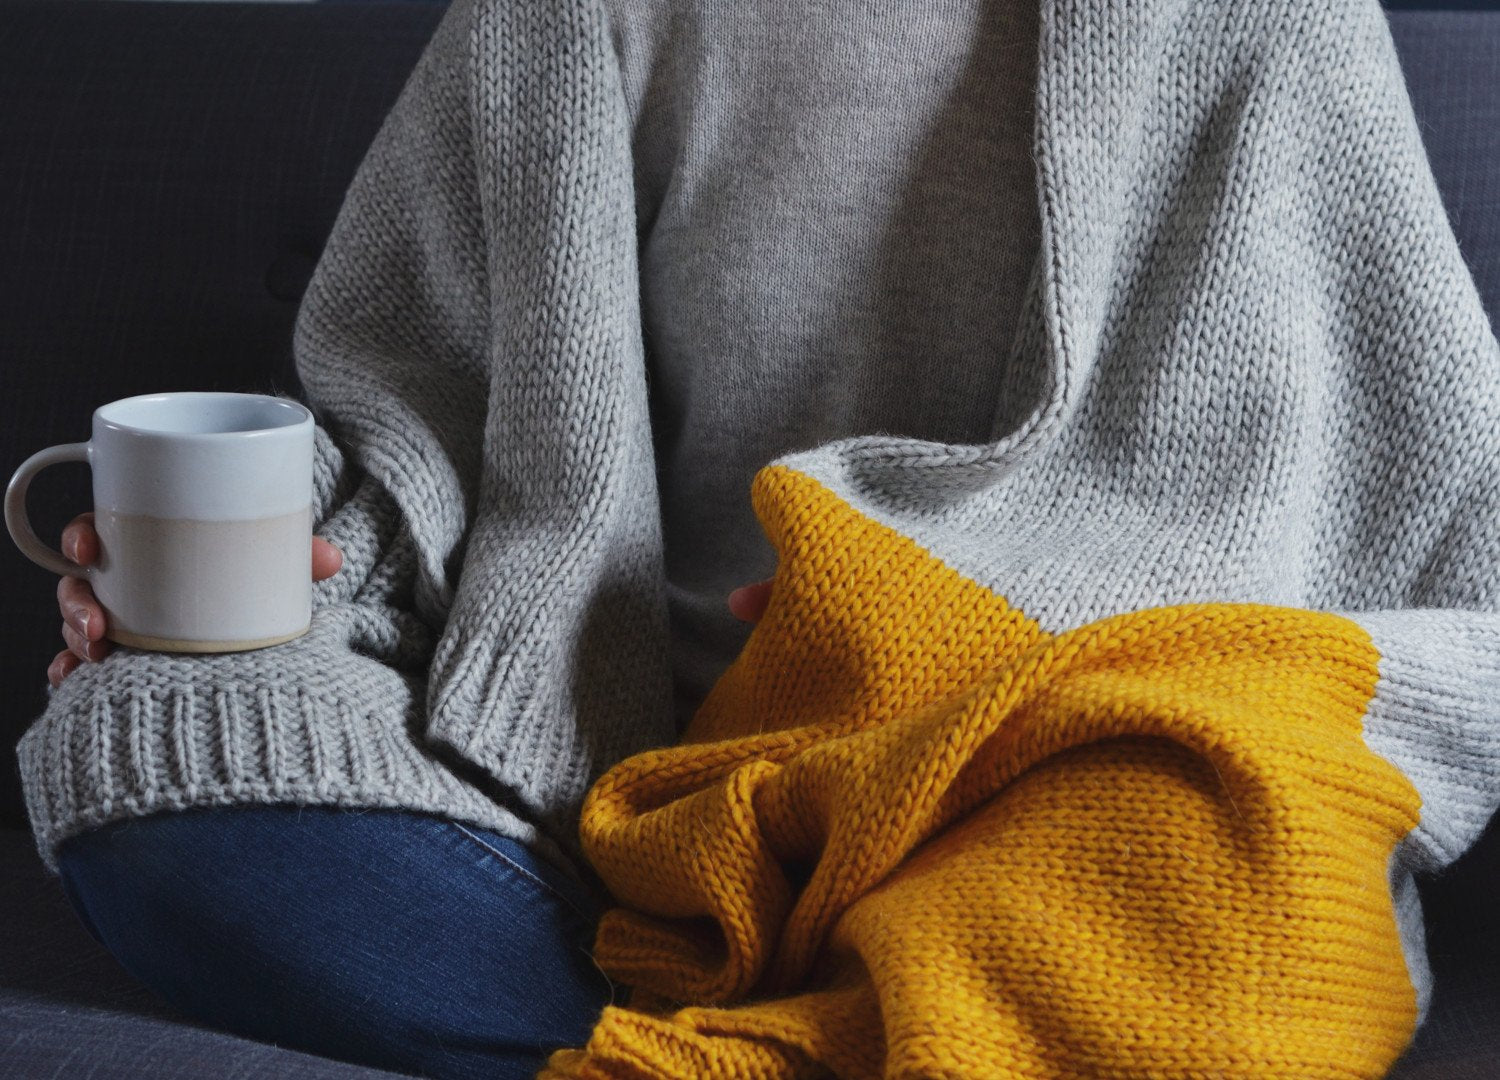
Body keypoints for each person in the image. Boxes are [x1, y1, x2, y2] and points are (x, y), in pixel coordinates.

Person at [21, 0, 1500, 1075]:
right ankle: (908, 1033)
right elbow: (423, 405)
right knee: (143, 753)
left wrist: (929, 611)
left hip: (1024, 777)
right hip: (603, 773)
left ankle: (780, 1034)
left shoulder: (1266, 24)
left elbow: (1426, 488)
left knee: (1194, 836)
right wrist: (291, 563)